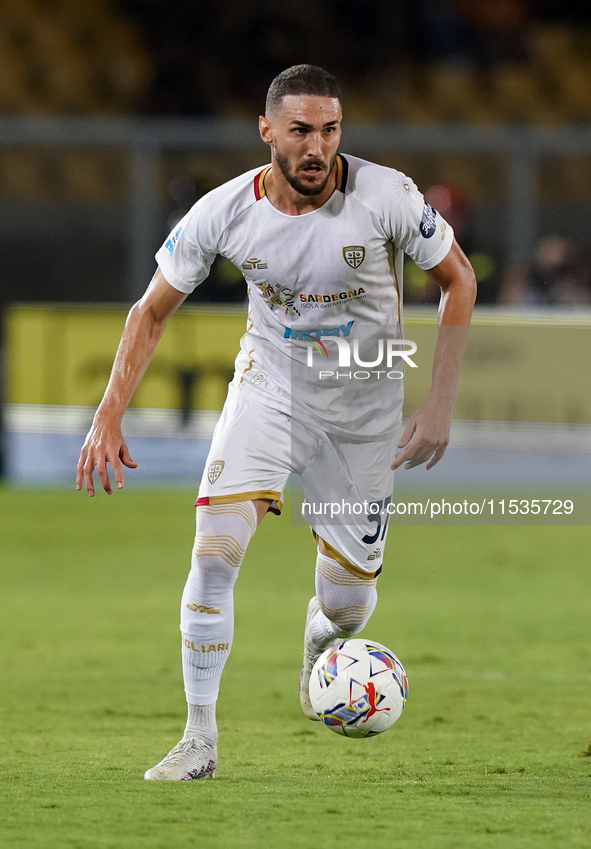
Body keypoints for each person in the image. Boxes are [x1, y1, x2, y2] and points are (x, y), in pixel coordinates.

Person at [76, 64, 476, 781]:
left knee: (348, 604)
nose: (316, 146)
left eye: (329, 130)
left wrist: (439, 402)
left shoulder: (386, 195)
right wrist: (108, 414)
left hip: (363, 407)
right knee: (213, 553)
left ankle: (320, 633)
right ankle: (198, 739)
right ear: (266, 132)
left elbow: (458, 278)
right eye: (299, 131)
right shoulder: (223, 210)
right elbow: (150, 310)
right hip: (271, 388)